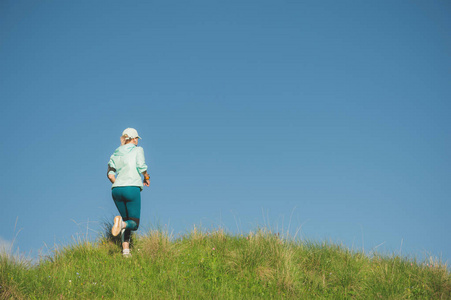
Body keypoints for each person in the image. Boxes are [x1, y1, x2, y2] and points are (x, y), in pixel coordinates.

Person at [107, 128, 150, 257]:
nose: (137, 141)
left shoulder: (115, 153)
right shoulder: (138, 150)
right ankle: (122, 224)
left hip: (116, 190)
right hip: (131, 188)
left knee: (125, 220)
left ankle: (126, 252)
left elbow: (110, 174)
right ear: (134, 138)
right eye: (136, 138)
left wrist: (119, 182)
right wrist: (146, 178)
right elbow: (141, 166)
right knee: (134, 224)